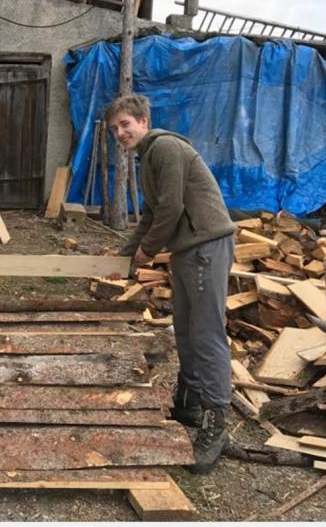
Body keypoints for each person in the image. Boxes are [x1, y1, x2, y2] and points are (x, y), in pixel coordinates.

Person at [105, 94, 236, 475]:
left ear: (144, 120)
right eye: (115, 129)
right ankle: (189, 403)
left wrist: (146, 252)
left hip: (205, 246)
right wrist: (123, 258)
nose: (121, 133)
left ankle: (215, 425)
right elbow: (150, 214)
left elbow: (171, 209)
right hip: (187, 248)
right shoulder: (147, 158)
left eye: (126, 124)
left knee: (207, 333)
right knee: (185, 328)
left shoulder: (165, 147)